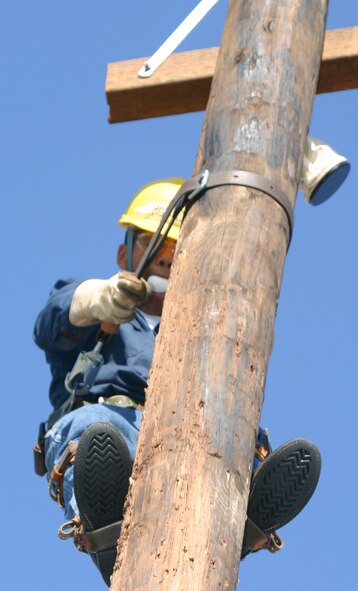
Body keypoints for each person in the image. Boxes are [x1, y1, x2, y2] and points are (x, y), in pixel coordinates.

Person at [34, 178, 321, 586]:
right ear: (125, 252)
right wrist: (96, 299)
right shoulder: (104, 318)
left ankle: (240, 520)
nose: (166, 259)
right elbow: (52, 319)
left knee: (236, 444)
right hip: (113, 422)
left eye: (176, 248)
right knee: (92, 433)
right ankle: (106, 533)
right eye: (155, 245)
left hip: (189, 429)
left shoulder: (205, 327)